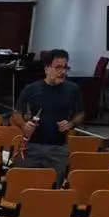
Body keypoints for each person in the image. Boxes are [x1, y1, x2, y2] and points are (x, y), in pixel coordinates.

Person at [11, 49, 85, 183]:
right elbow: (17, 113)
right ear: (47, 69)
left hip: (58, 149)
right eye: (58, 67)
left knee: (52, 187)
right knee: (25, 184)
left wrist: (70, 123)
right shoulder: (31, 89)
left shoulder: (73, 89)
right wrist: (24, 125)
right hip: (32, 146)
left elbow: (81, 114)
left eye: (65, 68)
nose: (62, 72)